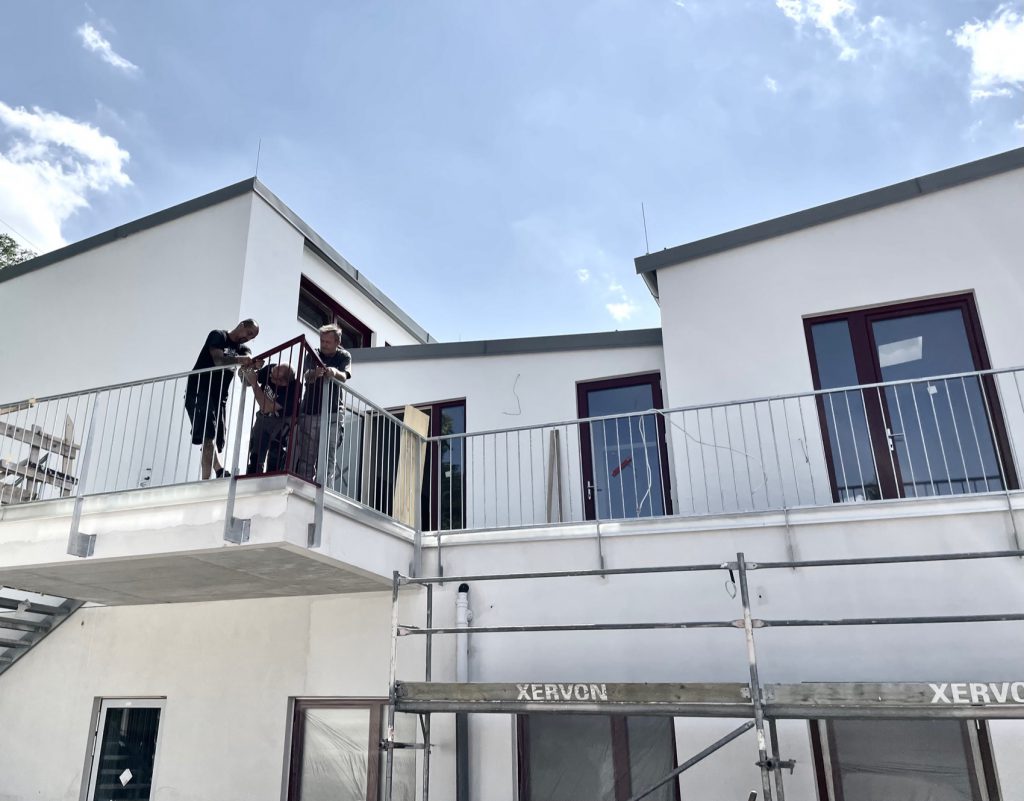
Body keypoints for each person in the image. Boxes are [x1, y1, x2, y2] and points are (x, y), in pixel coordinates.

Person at [184, 319, 260, 479]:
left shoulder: (243, 349)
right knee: (208, 434)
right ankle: (215, 473)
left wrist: (253, 366)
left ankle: (214, 474)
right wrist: (240, 360)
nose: (248, 338)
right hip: (200, 389)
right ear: (241, 325)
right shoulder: (218, 336)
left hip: (219, 398)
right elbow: (218, 360)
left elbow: (247, 364)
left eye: (252, 336)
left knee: (214, 439)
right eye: (249, 333)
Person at [294, 323, 352, 488]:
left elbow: (344, 376)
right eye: (322, 341)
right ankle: (304, 490)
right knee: (307, 456)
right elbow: (306, 375)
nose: (324, 344)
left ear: (337, 342)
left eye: (327, 341)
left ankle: (325, 493)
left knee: (328, 458)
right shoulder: (313, 353)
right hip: (310, 411)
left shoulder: (343, 356)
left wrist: (333, 372)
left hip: (333, 413)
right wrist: (314, 373)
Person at [243, 363, 299, 474]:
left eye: (273, 378)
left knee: (275, 453)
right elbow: (248, 380)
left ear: (283, 382)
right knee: (255, 455)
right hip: (264, 418)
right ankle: (252, 479)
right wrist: (249, 369)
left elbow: (267, 407)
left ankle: (271, 480)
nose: (270, 377)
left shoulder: (294, 389)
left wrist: (255, 384)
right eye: (272, 373)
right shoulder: (270, 370)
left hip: (282, 420)